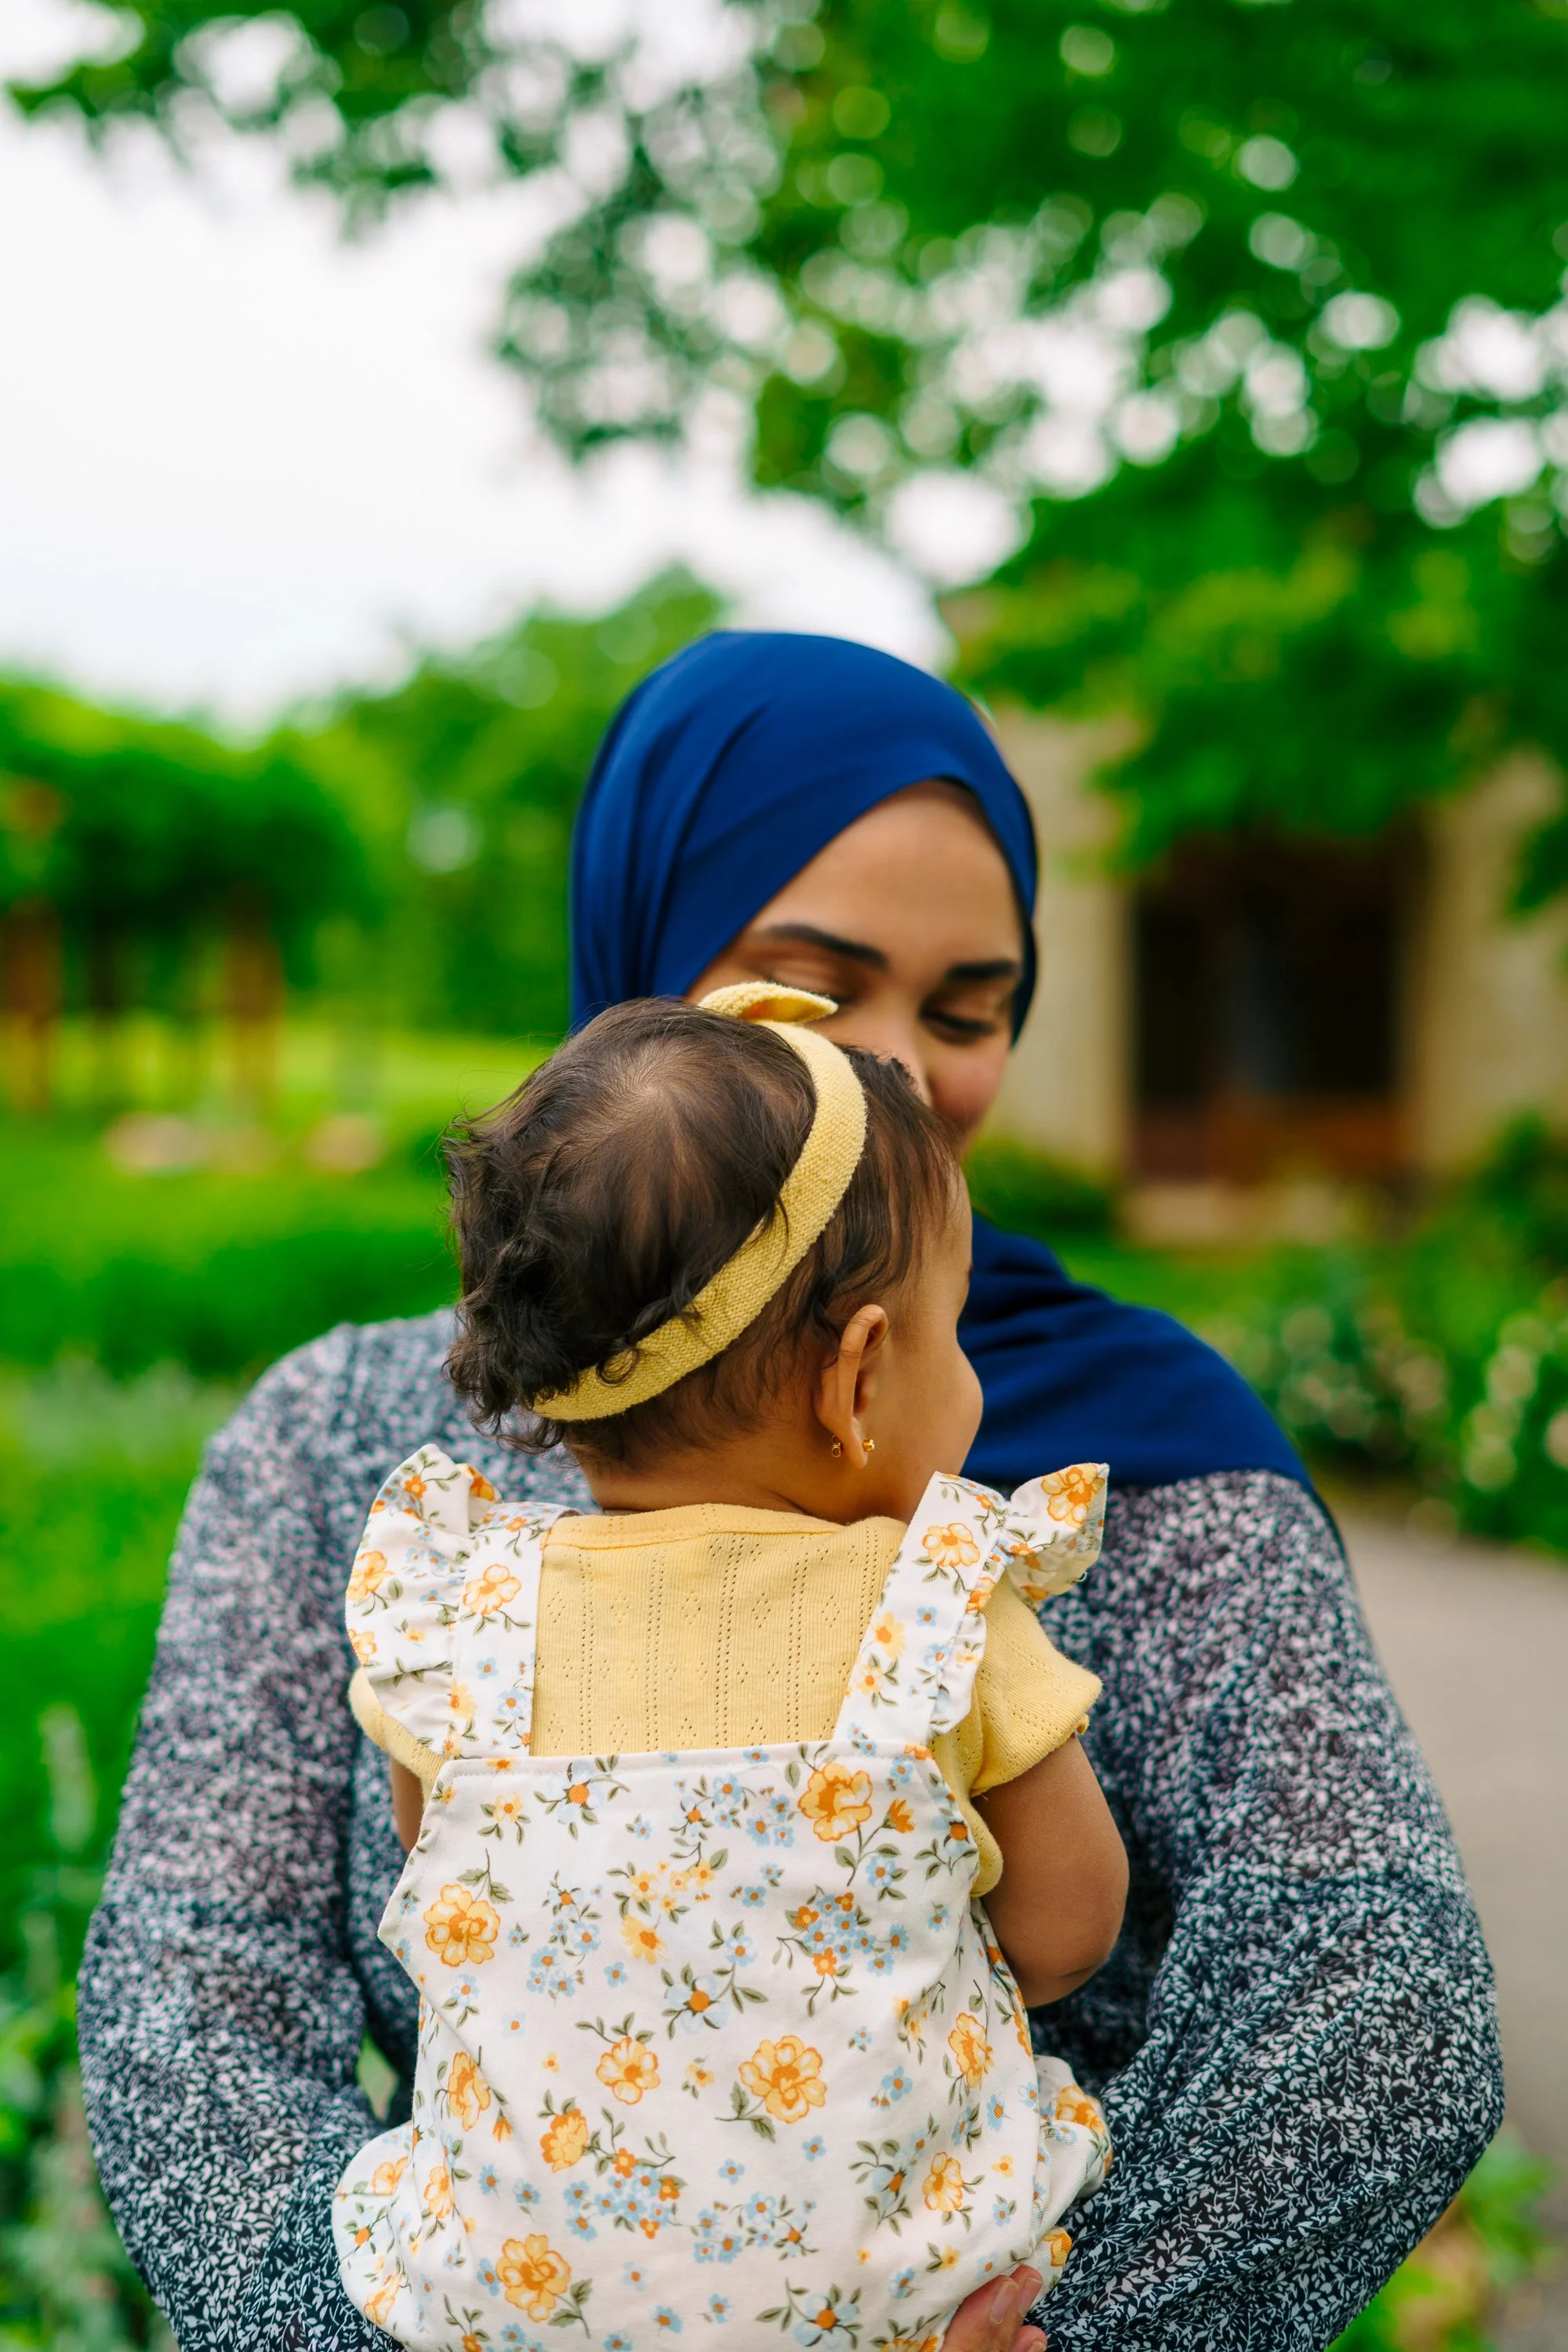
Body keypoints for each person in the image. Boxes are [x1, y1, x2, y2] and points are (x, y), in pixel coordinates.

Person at [79, 631, 1502, 2352]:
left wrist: (1038, 2326)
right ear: (637, 994)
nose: (898, 1067)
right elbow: (194, 1986)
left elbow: (1373, 1989)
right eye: (812, 991)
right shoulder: (338, 1447)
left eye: (970, 1009)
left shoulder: (1152, 1439)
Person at [334, 986, 1124, 2345]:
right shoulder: (936, 1609)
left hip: (513, 2313)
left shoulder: (464, 1621)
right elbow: (1068, 1934)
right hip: (892, 2312)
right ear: (860, 1378)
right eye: (957, 1332)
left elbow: (450, 1886)